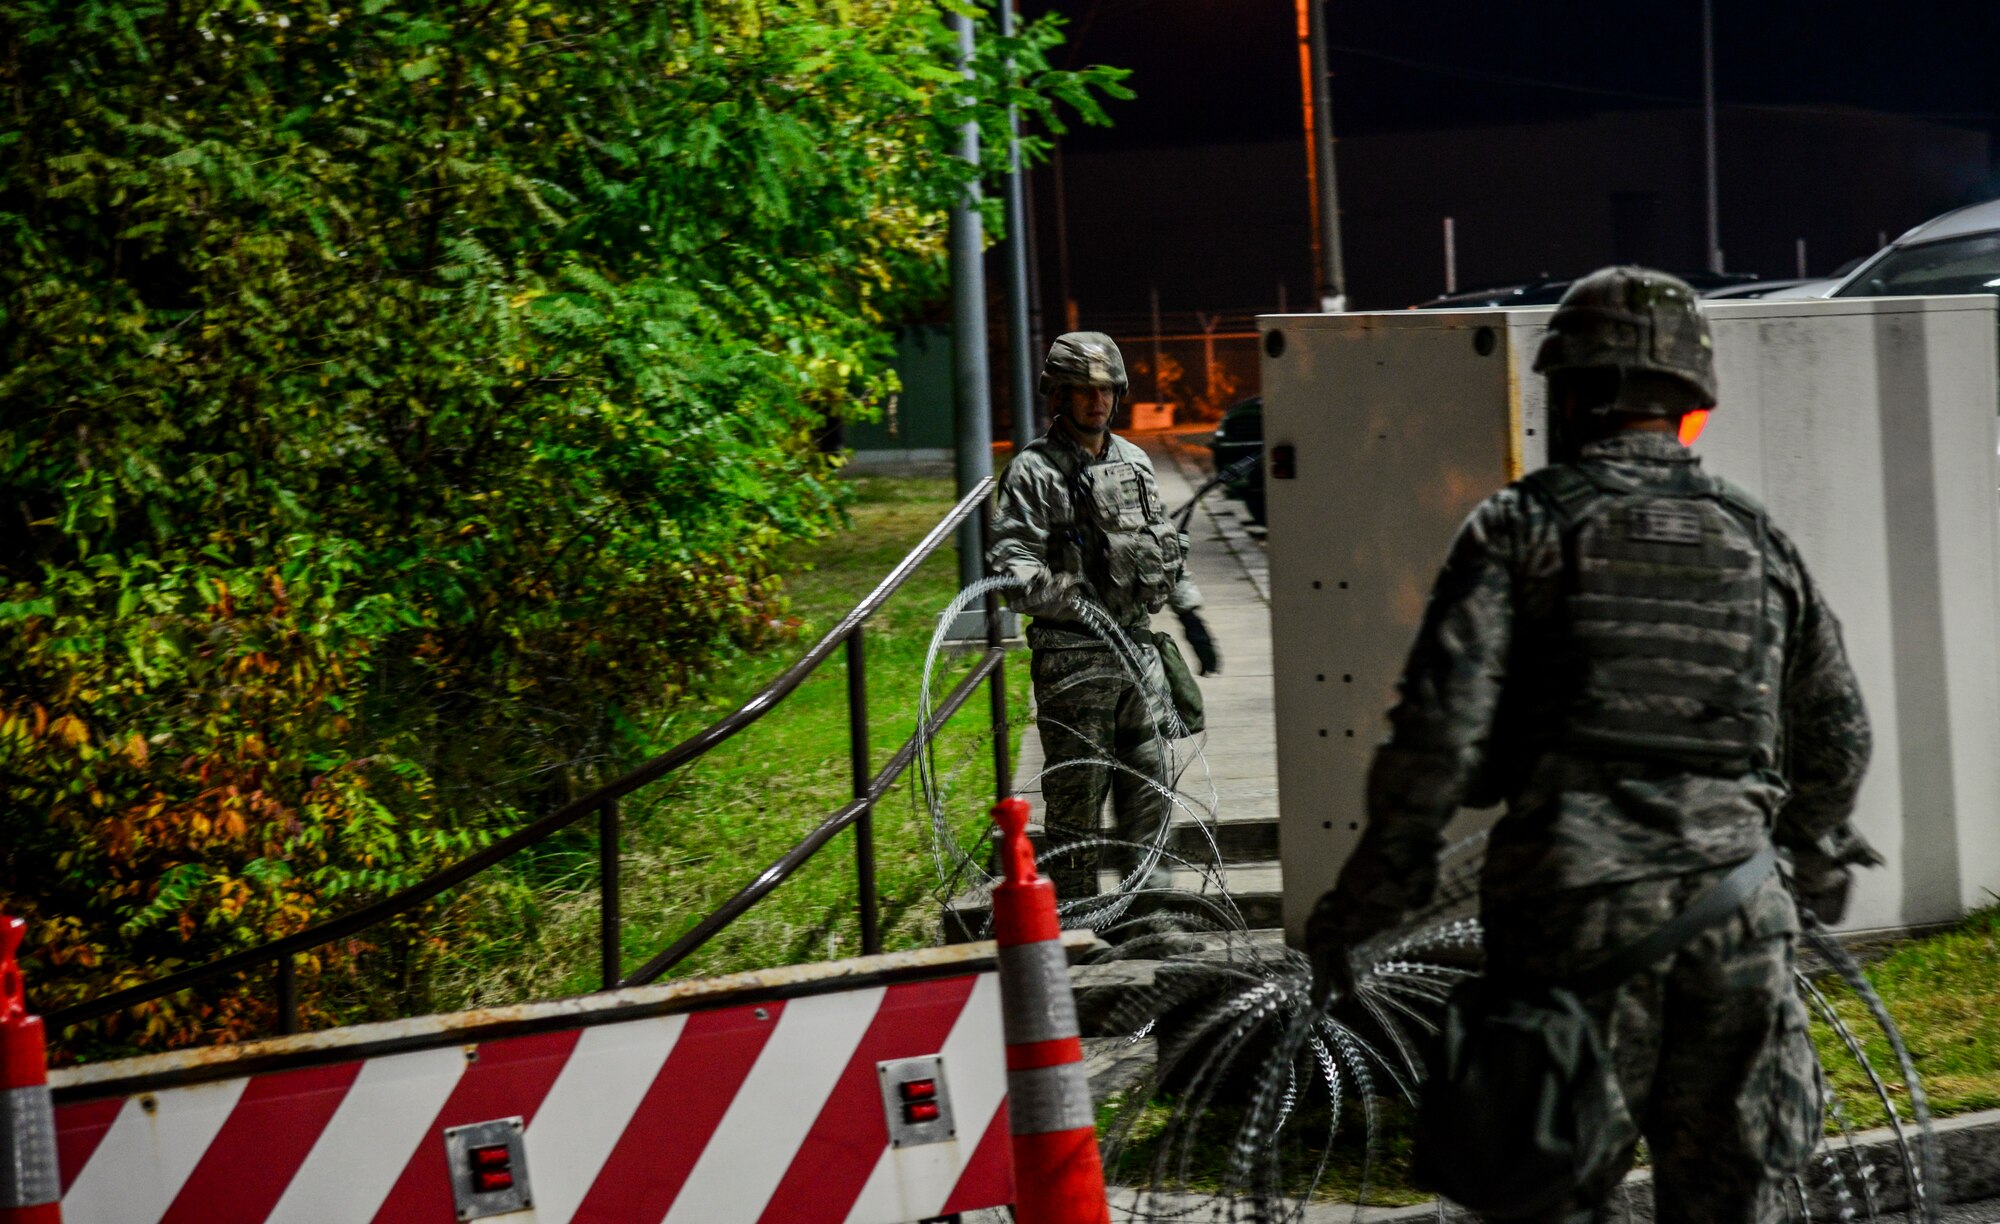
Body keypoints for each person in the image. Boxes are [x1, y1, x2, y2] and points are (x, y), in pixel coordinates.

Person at [1304, 267, 1881, 1224]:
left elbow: (1438, 743)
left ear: (1568, 395)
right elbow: (1839, 735)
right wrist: (1804, 864)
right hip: (1739, 916)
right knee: (1740, 1200)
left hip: (1572, 921)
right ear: (1689, 407)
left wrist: (1365, 901)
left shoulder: (1521, 528)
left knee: (1550, 1195)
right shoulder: (1756, 539)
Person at [987, 331, 1219, 903]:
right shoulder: (1034, 472)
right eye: (1082, 390)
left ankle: (1153, 911)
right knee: (1077, 799)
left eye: (1106, 389)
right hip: (1073, 662)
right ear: (1058, 396)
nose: (1096, 401)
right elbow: (1011, 559)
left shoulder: (1135, 463)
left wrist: (1191, 615)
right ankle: (1078, 918)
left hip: (1138, 655)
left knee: (1151, 788)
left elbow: (1163, 543)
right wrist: (1055, 592)